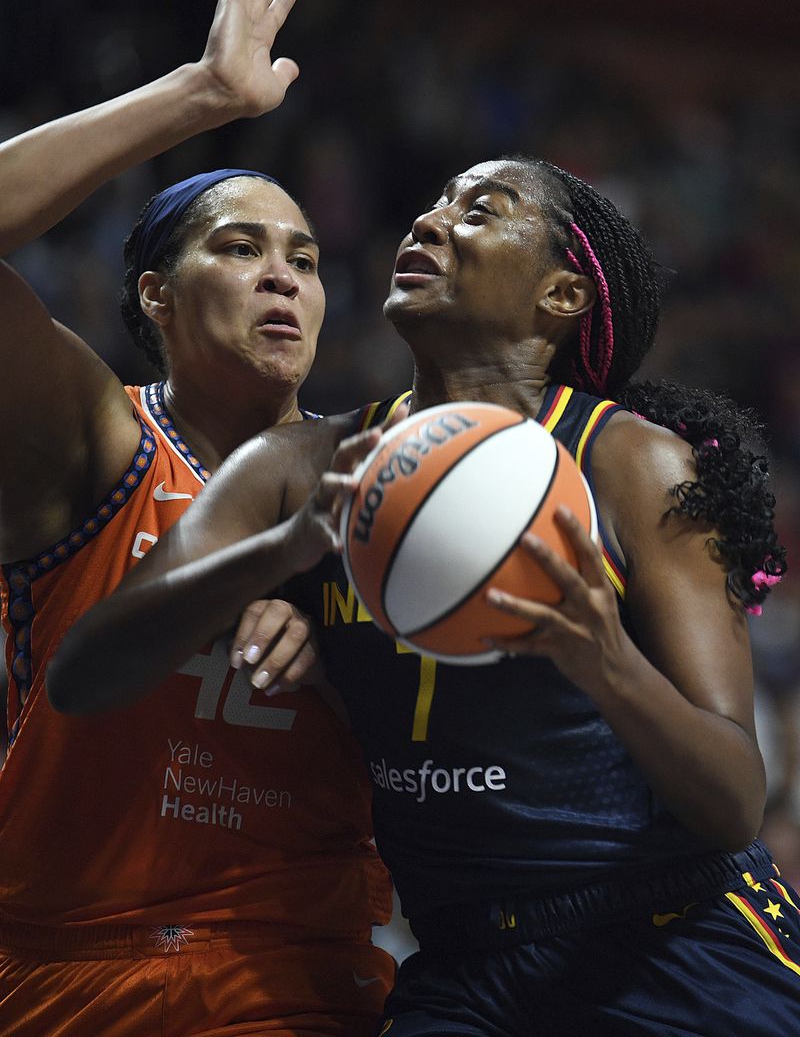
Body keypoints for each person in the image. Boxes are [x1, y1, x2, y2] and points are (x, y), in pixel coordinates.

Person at [49, 152, 798, 1036]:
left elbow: (731, 803)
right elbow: (82, 676)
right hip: (462, 965)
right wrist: (281, 555)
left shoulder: (631, 465)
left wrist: (605, 662)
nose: (430, 221)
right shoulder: (302, 469)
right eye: (435, 201)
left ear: (562, 295)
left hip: (671, 939)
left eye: (481, 208)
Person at [0, 0, 394, 1035]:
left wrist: (339, 637)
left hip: (303, 975)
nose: (282, 278)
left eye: (304, 261)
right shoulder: (100, 440)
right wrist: (201, 93)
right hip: (78, 966)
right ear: (154, 296)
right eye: (238, 248)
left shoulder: (385, 469)